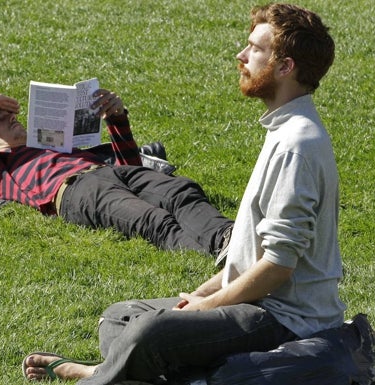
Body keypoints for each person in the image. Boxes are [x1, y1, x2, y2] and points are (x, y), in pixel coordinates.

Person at [22, 3, 346, 383]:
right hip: (257, 303)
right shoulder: (285, 131)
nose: (241, 57)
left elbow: (278, 266)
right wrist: (197, 296)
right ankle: (159, 373)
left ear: (285, 67)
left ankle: (98, 375)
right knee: (120, 317)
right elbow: (247, 260)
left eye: (255, 49)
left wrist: (204, 307)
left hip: (286, 320)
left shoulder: (297, 145)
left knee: (148, 334)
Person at [0, 87, 233, 256]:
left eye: (11, 115)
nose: (11, 117)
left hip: (110, 170)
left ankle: (228, 239)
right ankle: (227, 265)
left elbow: (132, 168)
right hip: (75, 189)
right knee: (151, 220)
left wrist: (116, 119)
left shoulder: (52, 147)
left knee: (180, 190)